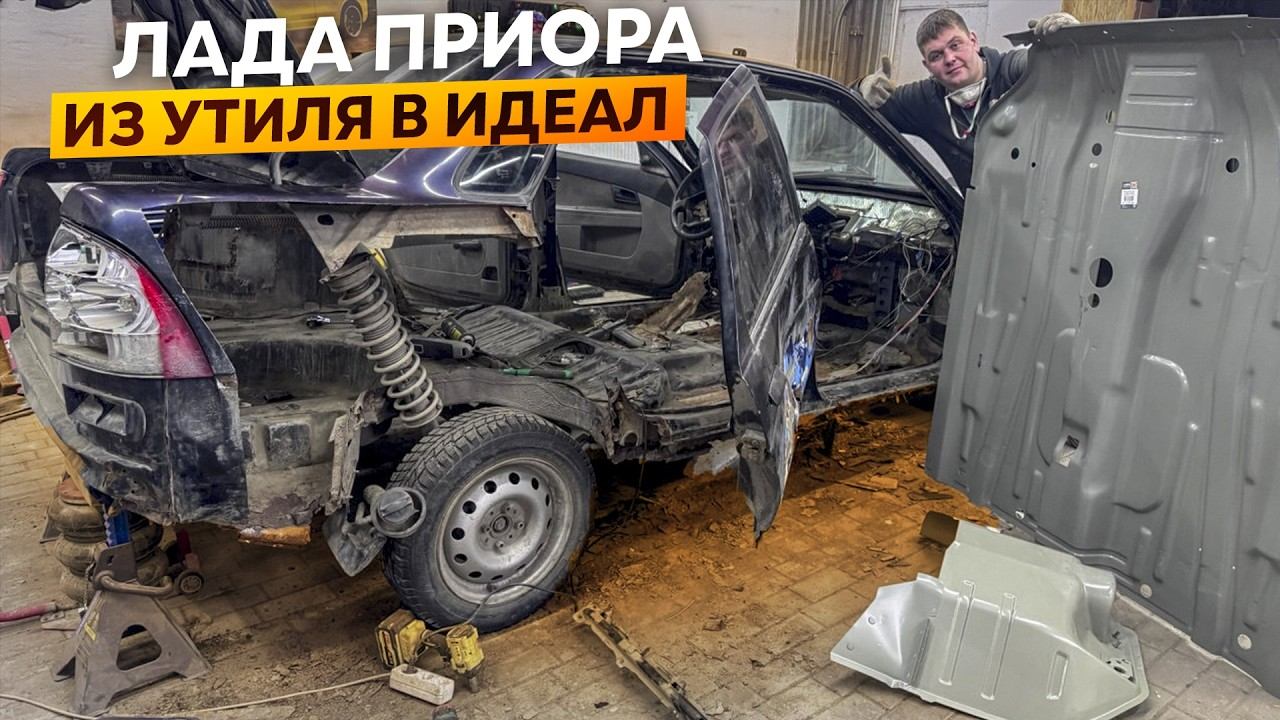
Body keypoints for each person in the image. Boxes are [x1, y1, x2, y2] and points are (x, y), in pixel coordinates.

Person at [857, 9, 1078, 193]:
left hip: (1044, 209)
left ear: (973, 41)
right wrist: (862, 86)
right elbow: (852, 110)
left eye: (955, 45)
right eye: (936, 55)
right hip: (976, 219)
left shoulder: (1011, 71)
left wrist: (1070, 42)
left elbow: (1060, 69)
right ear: (927, 66)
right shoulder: (925, 100)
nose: (949, 59)